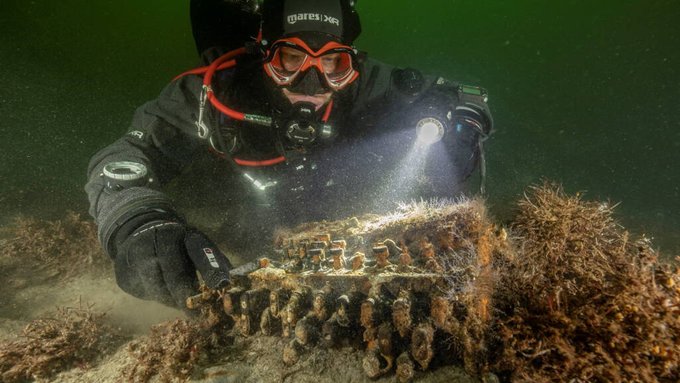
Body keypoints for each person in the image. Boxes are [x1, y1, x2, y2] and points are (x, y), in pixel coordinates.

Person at [85, 0, 493, 309]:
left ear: (352, 64)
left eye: (333, 63)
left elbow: (463, 94)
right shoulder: (213, 93)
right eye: (291, 59)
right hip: (229, 203)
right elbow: (127, 154)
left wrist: (463, 123)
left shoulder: (370, 84)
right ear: (264, 53)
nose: (312, 82)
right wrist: (136, 221)